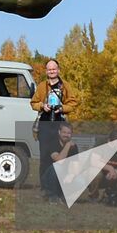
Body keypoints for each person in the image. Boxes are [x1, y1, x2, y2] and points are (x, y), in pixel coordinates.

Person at [31, 59, 78, 202]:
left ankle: (61, 188)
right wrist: (41, 106)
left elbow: (74, 102)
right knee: (45, 158)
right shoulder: (41, 86)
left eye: (54, 69)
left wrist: (62, 108)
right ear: (46, 71)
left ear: (58, 70)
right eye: (49, 69)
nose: (52, 71)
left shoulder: (66, 86)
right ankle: (45, 189)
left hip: (60, 126)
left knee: (63, 158)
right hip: (44, 125)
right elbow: (33, 103)